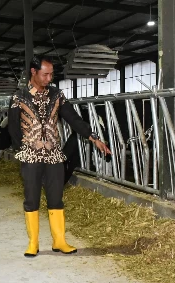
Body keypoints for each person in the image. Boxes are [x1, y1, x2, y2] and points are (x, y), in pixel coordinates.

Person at [8, 56, 111, 257]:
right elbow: (13, 128)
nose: (49, 78)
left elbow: (73, 118)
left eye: (51, 74)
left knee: (56, 198)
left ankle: (60, 241)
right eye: (45, 74)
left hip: (54, 155)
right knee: (32, 199)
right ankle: (33, 243)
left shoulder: (57, 96)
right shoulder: (19, 97)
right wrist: (22, 150)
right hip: (30, 155)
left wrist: (93, 137)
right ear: (33, 72)